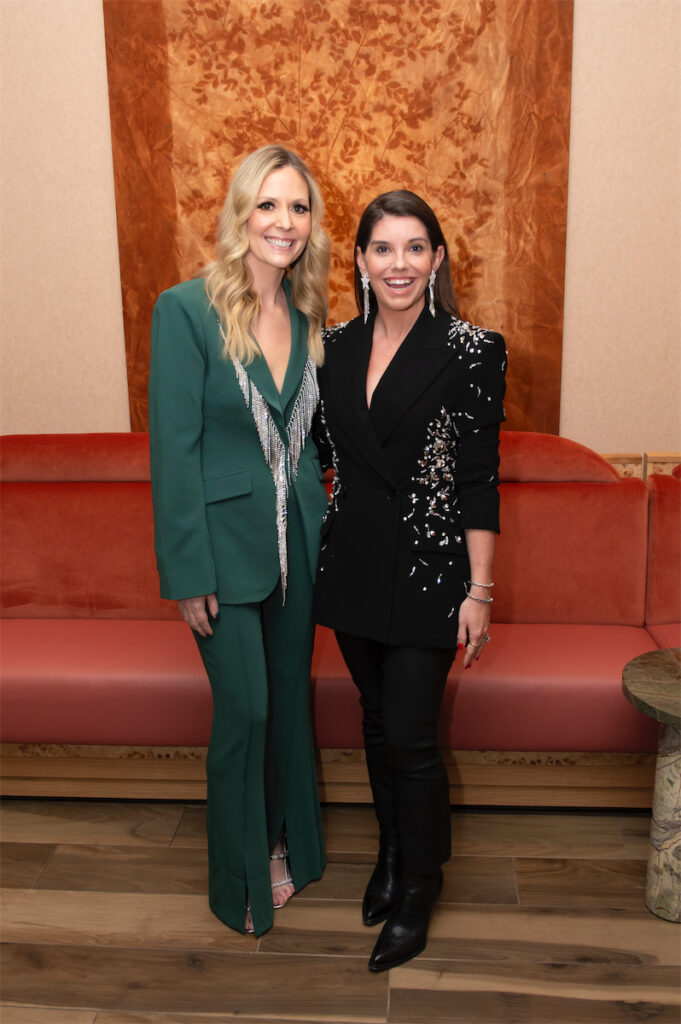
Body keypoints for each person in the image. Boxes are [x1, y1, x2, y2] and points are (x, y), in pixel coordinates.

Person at [314, 190, 507, 971]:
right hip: (353, 564)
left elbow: (478, 479)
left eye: (414, 248)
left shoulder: (471, 348)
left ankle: (420, 884)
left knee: (412, 738)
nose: (398, 264)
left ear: (435, 260)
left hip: (433, 572)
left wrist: (480, 591)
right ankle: (391, 857)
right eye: (382, 249)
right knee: (372, 721)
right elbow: (322, 458)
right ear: (359, 261)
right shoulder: (330, 345)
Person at [149, 145, 330, 936]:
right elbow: (173, 449)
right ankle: (238, 880)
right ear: (239, 214)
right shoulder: (184, 310)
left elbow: (313, 439)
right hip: (220, 553)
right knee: (247, 712)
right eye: (267, 205)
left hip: (302, 546)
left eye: (296, 208)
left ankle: (287, 844)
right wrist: (187, 570)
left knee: (289, 707)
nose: (282, 222)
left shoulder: (312, 315)